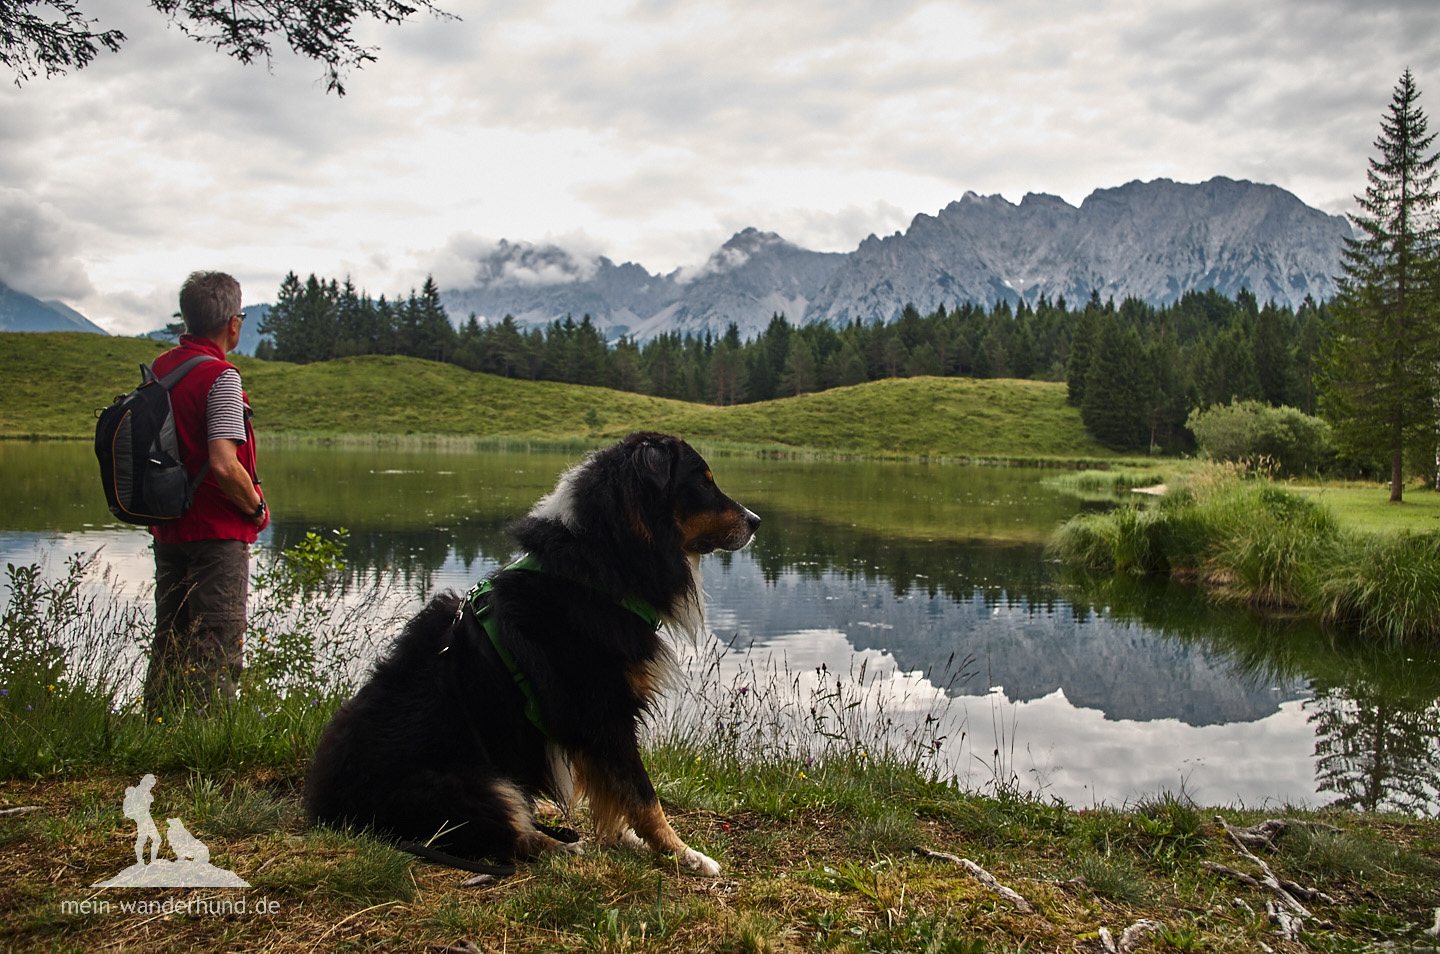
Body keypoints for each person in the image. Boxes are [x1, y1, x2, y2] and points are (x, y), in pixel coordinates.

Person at [144, 271, 268, 712]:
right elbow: (223, 462)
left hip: (169, 526)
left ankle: (156, 734)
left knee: (170, 640)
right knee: (216, 645)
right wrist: (256, 508)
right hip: (217, 533)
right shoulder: (222, 377)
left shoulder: (160, 369)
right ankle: (208, 750)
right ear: (233, 323)